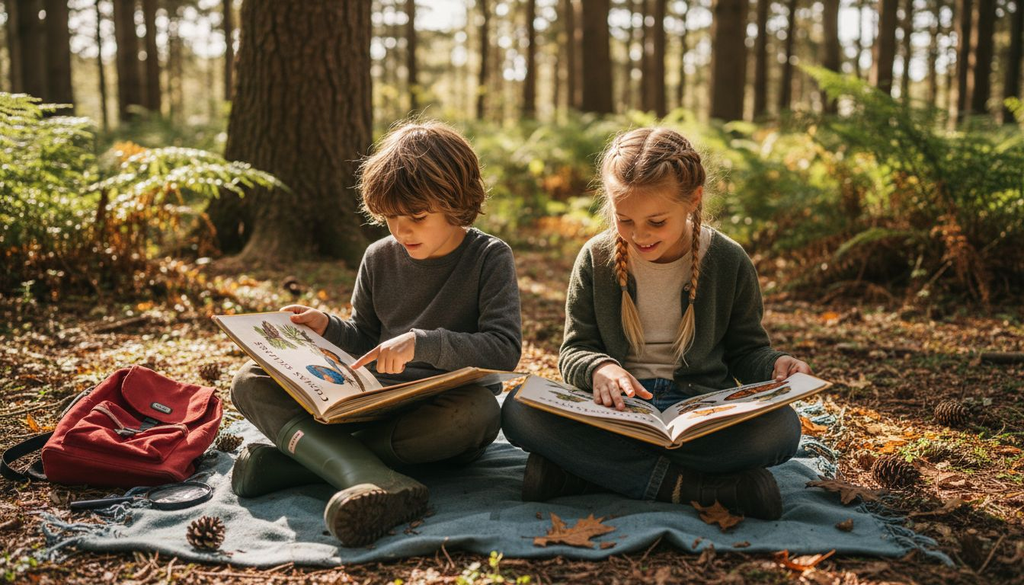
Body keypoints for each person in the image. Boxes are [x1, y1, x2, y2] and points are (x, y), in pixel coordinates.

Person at [230, 121, 522, 546]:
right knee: (249, 380)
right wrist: (328, 328)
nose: (401, 231)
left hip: (434, 414)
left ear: (457, 202)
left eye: (417, 218)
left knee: (479, 414)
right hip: (369, 404)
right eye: (390, 219)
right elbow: (364, 337)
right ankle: (369, 475)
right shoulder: (378, 257)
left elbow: (504, 350)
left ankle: (307, 463)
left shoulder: (489, 257)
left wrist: (423, 343)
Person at [501, 128, 811, 520]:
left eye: (656, 221)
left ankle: (585, 475)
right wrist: (601, 367)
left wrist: (773, 365)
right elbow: (574, 350)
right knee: (518, 409)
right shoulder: (595, 258)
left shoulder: (728, 261)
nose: (639, 235)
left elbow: (746, 350)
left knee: (781, 429)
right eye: (624, 219)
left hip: (698, 416)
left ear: (693, 200)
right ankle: (695, 488)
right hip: (614, 414)